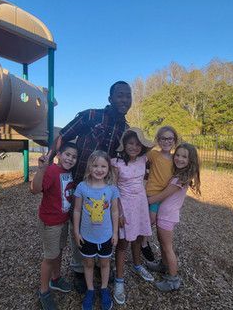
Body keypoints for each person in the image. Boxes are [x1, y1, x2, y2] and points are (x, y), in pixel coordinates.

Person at [52, 81, 132, 292]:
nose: (125, 100)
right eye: (120, 95)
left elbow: (127, 158)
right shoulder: (91, 116)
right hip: (79, 182)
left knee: (101, 222)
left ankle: (99, 262)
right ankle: (79, 268)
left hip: (104, 187)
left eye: (128, 96)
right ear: (110, 99)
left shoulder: (126, 129)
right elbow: (64, 135)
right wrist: (49, 158)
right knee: (78, 224)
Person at [147, 143, 201, 291]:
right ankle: (163, 265)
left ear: (191, 160)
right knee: (162, 242)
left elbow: (163, 195)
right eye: (177, 155)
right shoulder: (179, 174)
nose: (179, 159)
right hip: (164, 215)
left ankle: (173, 280)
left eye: (184, 157)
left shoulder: (181, 178)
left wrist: (144, 200)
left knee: (167, 247)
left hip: (167, 216)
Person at [30, 142, 78, 310]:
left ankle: (56, 279)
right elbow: (35, 190)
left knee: (59, 251)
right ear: (58, 154)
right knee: (50, 257)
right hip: (50, 222)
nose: (70, 159)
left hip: (63, 220)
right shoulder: (51, 171)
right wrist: (41, 169)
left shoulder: (69, 173)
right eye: (67, 155)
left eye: (74, 157)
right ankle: (44, 291)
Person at [111, 128, 155, 305]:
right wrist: (119, 212)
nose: (134, 147)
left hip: (140, 205)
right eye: (130, 143)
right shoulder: (115, 162)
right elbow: (114, 188)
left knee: (138, 238)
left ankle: (138, 265)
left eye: (138, 144)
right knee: (123, 244)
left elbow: (161, 160)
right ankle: (119, 281)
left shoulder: (144, 159)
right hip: (124, 206)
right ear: (124, 144)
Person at [73, 150, 119, 310]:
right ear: (89, 167)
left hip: (106, 236)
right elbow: (77, 210)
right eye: (95, 165)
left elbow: (114, 211)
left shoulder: (112, 189)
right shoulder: (81, 187)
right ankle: (90, 290)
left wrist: (115, 233)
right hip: (87, 236)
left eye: (103, 166)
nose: (99, 169)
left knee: (105, 263)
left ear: (108, 168)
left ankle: (104, 289)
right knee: (88, 263)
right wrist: (76, 232)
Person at [141, 126, 179, 262]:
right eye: (163, 138)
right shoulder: (154, 154)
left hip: (166, 196)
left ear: (174, 140)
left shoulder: (176, 158)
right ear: (158, 140)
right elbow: (141, 160)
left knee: (160, 222)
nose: (166, 141)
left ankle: (153, 245)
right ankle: (143, 243)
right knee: (150, 219)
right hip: (153, 194)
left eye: (170, 138)